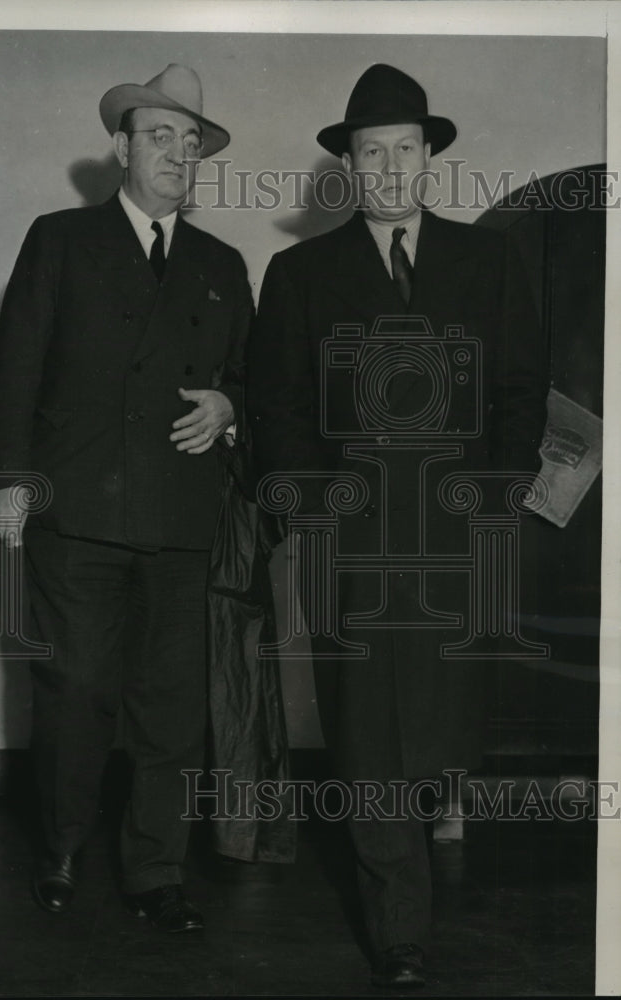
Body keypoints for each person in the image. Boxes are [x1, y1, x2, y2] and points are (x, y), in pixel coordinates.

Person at [246, 64, 548, 987]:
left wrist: (492, 499)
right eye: (369, 151)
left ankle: (418, 863)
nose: (387, 167)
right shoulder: (300, 272)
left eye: (403, 149)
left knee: (442, 725)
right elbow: (281, 408)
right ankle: (399, 928)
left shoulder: (489, 264)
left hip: (459, 536)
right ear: (348, 164)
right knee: (368, 731)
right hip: (357, 539)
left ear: (429, 158)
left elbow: (517, 393)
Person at [0, 63, 252, 931]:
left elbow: (250, 377)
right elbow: (15, 366)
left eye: (192, 141)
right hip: (80, 516)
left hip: (180, 520)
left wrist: (229, 406)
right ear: (122, 147)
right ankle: (60, 847)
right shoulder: (58, 239)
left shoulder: (221, 263)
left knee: (172, 708)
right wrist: (7, 484)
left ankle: (155, 870)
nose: (179, 153)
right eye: (160, 135)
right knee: (77, 690)